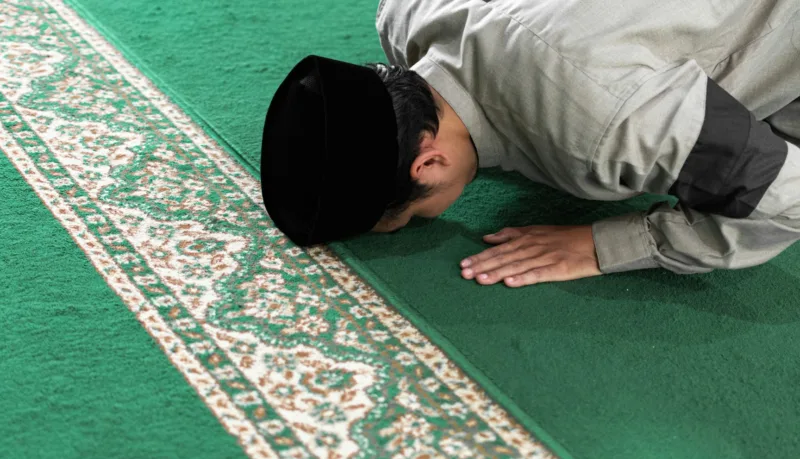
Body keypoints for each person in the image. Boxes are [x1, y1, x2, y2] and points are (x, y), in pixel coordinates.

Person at [260, 0, 800, 288]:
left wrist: (609, 243)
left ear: (428, 163)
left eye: (405, 217)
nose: (412, 224)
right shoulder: (404, 12)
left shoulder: (610, 124)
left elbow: (787, 201)